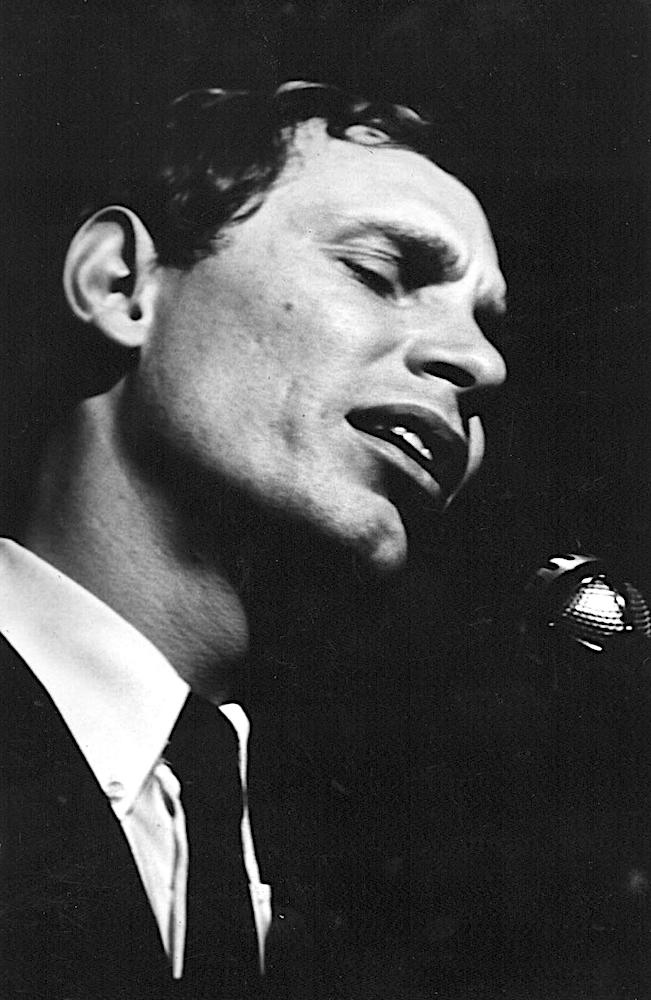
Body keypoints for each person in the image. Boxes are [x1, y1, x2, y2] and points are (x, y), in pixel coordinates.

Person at [0, 81, 507, 999]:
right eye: (380, 272)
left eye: (484, 323)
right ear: (122, 285)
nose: (479, 363)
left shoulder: (361, 863)